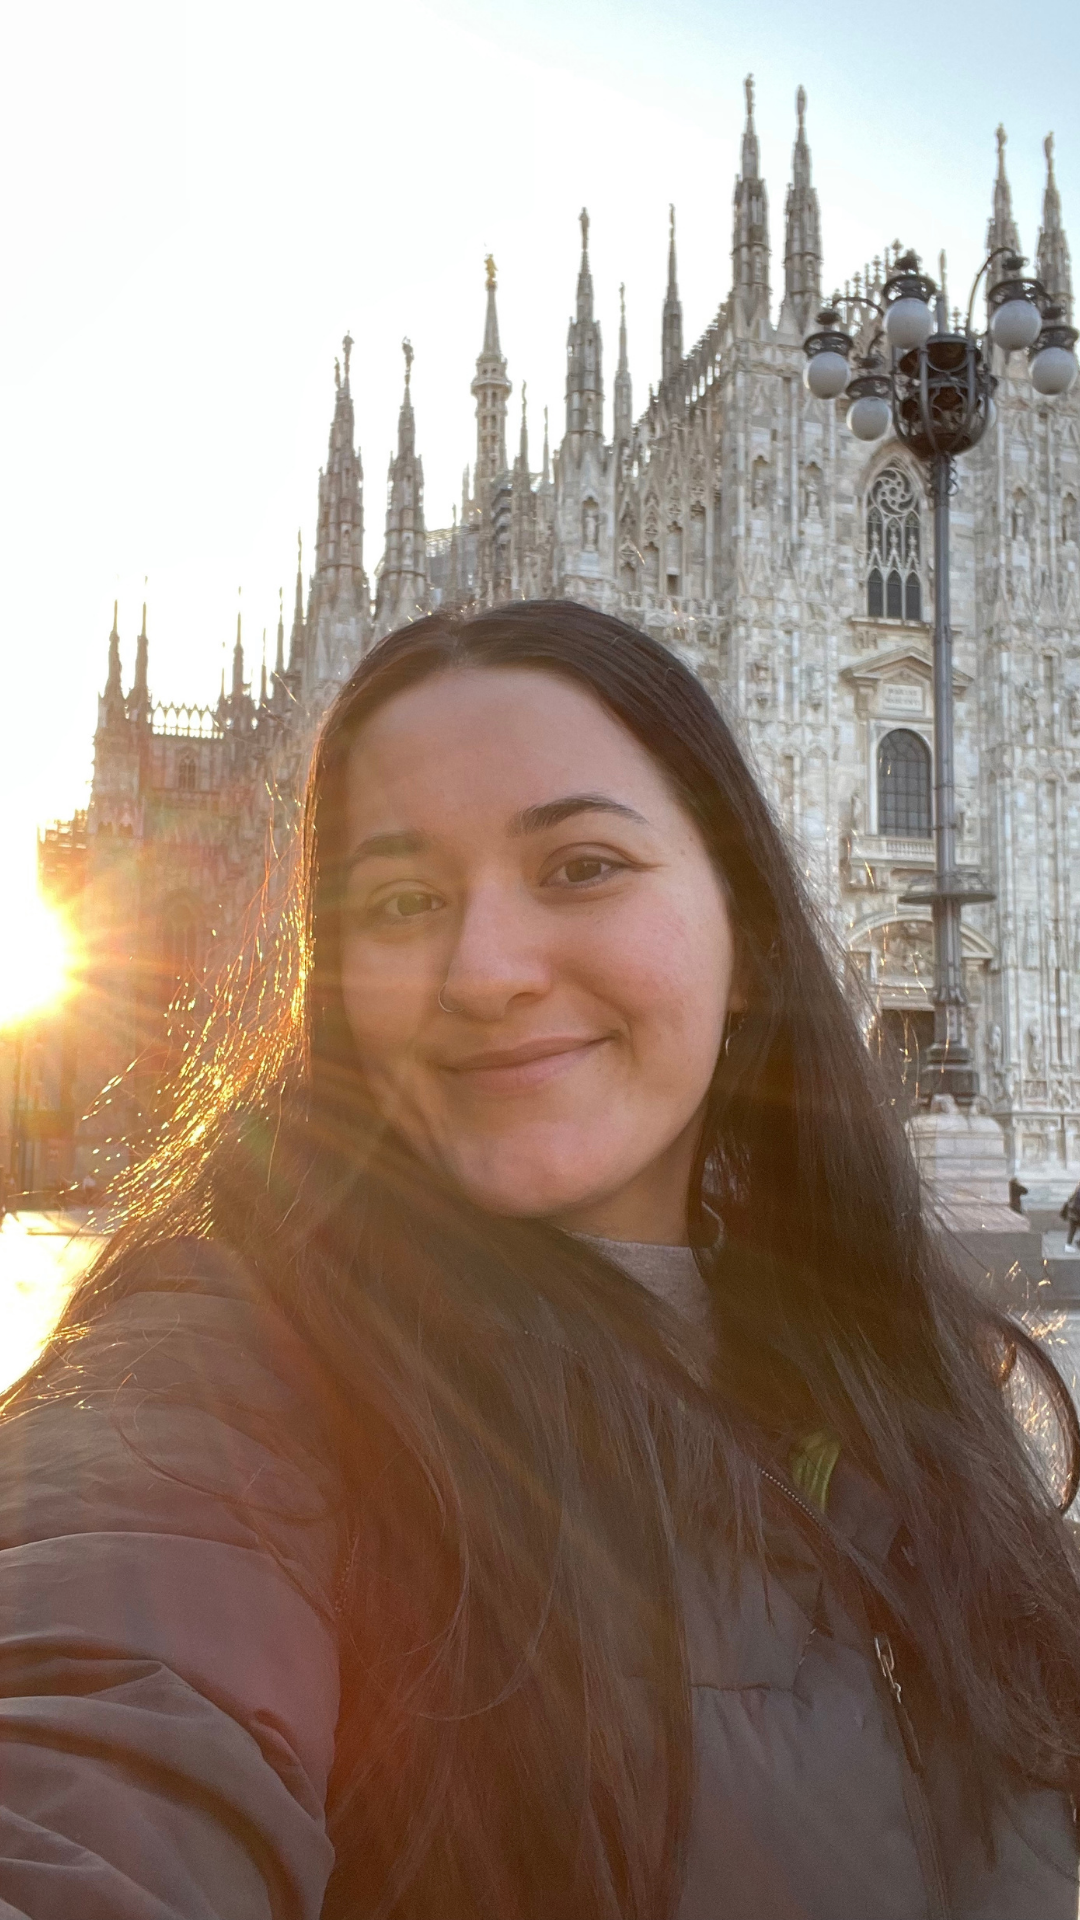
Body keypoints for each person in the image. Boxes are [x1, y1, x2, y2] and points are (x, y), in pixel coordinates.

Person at [1, 601, 1078, 1920]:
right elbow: (96, 1740)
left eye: (580, 867)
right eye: (401, 900)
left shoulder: (896, 1373)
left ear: (745, 937)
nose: (488, 969)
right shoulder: (217, 1372)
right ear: (332, 981)